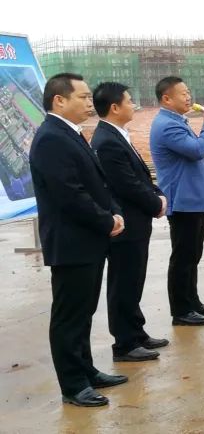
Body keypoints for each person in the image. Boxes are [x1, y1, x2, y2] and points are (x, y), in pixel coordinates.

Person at [30, 73, 128, 407]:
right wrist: (106, 220)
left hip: (88, 239)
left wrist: (112, 212)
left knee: (83, 312)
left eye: (89, 97)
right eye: (83, 97)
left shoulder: (71, 134)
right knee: (69, 317)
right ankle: (73, 385)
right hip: (71, 243)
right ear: (60, 100)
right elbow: (69, 194)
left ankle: (86, 371)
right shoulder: (51, 139)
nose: (90, 103)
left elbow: (96, 184)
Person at [90, 82, 169, 363]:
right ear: (114, 107)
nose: (133, 104)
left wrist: (157, 195)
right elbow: (126, 185)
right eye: (129, 99)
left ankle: (136, 332)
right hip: (126, 224)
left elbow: (141, 177)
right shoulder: (106, 140)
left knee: (134, 279)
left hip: (137, 222)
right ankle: (124, 343)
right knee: (123, 283)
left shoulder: (117, 135)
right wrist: (155, 203)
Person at [150, 76, 204, 327]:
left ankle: (192, 301)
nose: (188, 97)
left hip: (193, 198)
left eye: (189, 92)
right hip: (182, 200)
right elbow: (195, 150)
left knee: (193, 255)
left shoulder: (176, 120)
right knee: (183, 257)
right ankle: (181, 310)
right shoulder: (166, 125)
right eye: (183, 93)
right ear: (166, 99)